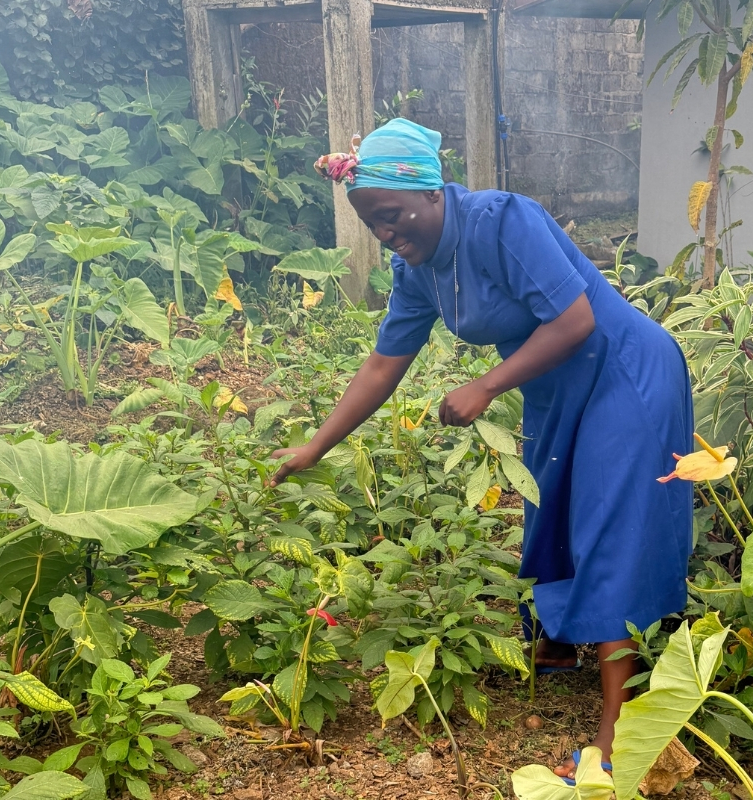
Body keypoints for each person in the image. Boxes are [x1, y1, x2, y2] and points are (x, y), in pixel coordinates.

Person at [272, 118, 693, 780]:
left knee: (615, 528)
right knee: (548, 503)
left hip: (623, 370)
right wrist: (317, 446)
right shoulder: (417, 270)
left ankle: (616, 751)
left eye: (392, 215)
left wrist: (486, 387)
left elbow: (576, 321)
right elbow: (384, 365)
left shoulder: (504, 221)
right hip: (556, 385)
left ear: (432, 192)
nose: (387, 233)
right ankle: (561, 647)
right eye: (373, 223)